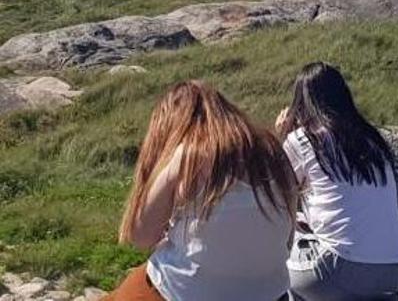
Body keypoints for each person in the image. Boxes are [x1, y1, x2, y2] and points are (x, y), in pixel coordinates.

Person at [105, 80, 297, 301]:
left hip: (189, 292)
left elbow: (141, 235)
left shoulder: (189, 155)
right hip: (271, 294)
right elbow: (288, 235)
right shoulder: (274, 151)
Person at [276, 62, 398, 301]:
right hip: (392, 274)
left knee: (278, 257)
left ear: (301, 102)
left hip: (339, 270)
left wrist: (283, 137)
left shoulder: (303, 140)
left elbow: (276, 195)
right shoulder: (373, 140)